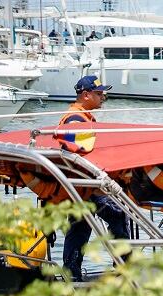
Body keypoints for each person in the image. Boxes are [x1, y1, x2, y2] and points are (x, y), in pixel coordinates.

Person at [60, 75, 130, 282]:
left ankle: (71, 273)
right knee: (117, 215)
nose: (103, 98)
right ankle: (123, 266)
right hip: (84, 185)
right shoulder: (76, 119)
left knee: (79, 227)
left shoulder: (80, 116)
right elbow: (77, 154)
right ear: (86, 95)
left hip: (78, 186)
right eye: (99, 94)